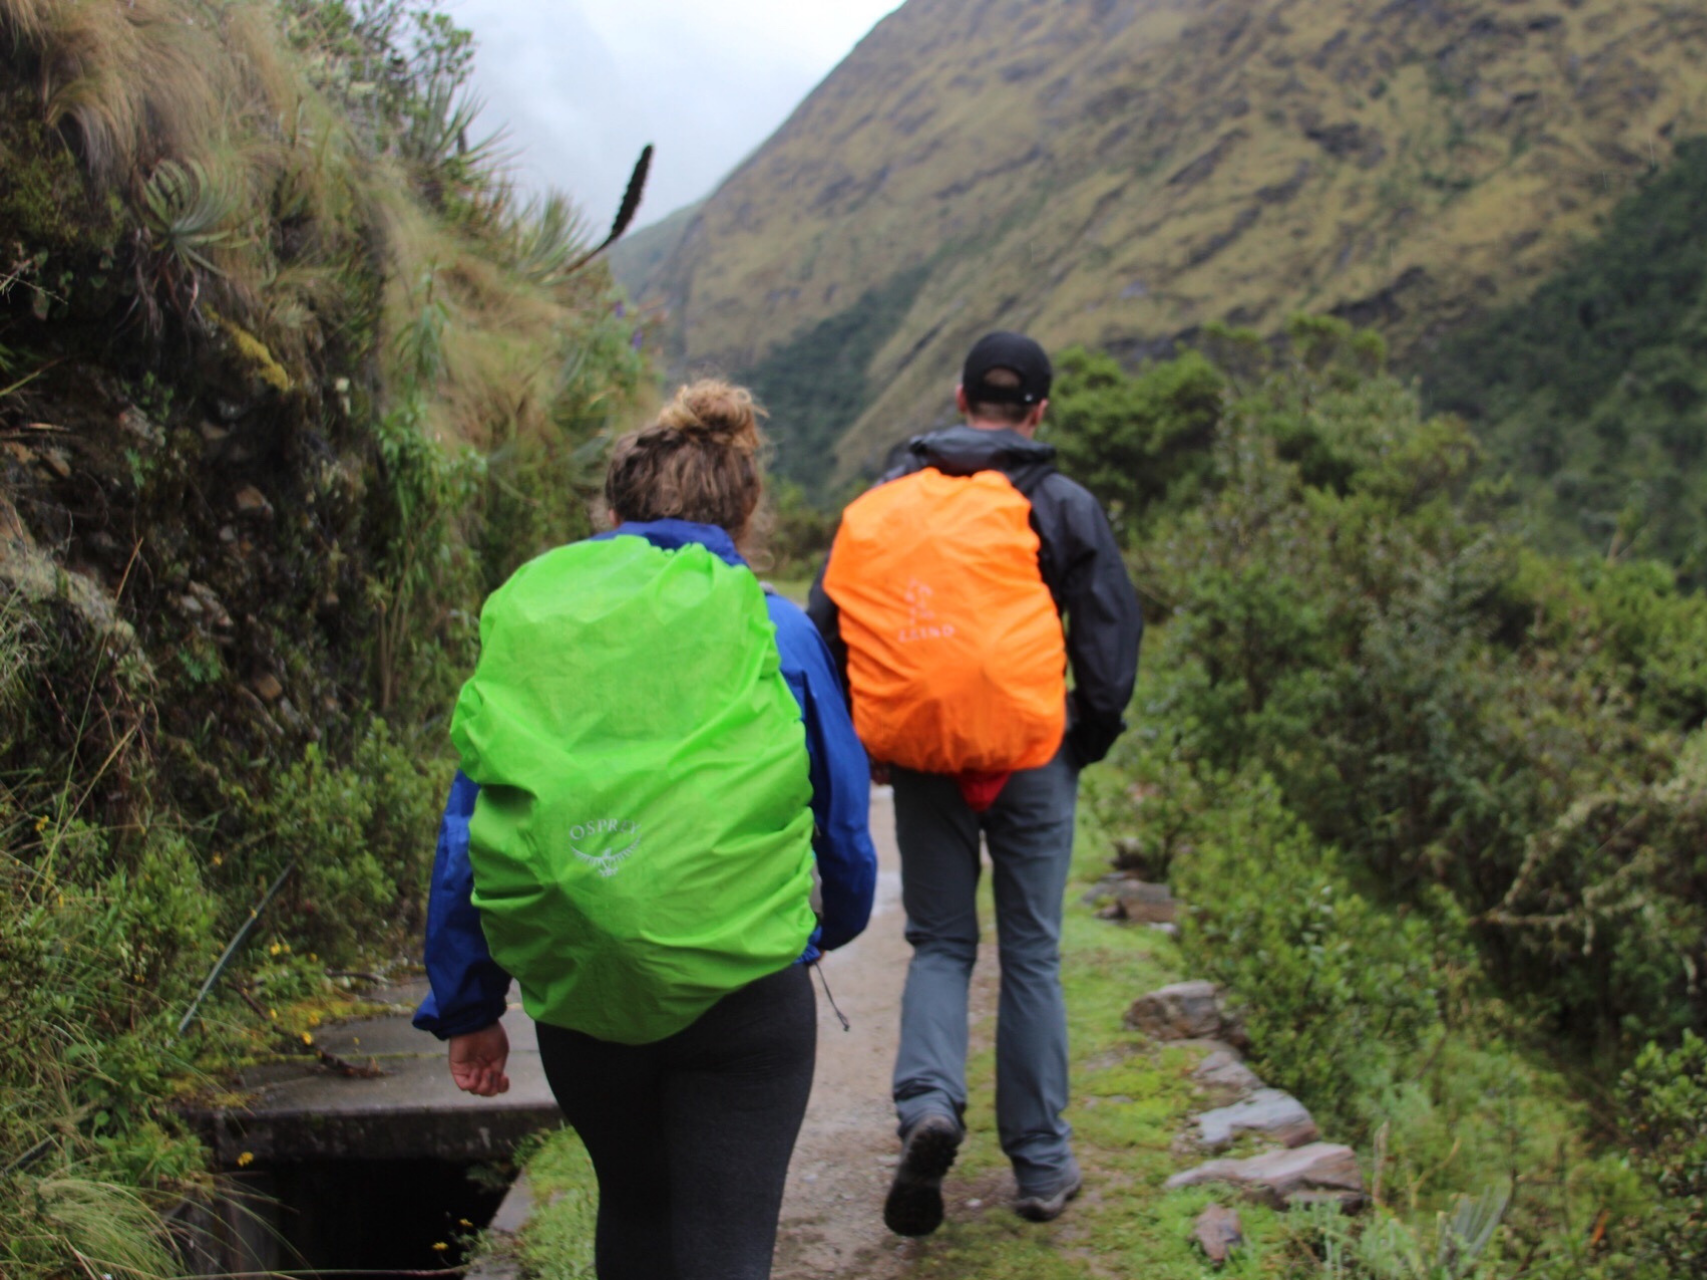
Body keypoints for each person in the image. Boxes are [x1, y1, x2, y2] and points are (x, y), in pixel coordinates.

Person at [415, 380, 879, 1280]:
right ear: (743, 513)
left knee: (632, 1208)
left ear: (612, 509)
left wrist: (468, 1004)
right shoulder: (773, 627)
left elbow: (473, 817)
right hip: (744, 990)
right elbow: (842, 814)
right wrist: (825, 925)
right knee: (725, 1242)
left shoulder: (541, 622)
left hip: (587, 997)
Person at [807, 332, 1141, 1235]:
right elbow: (1109, 640)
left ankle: (926, 1106)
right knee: (1030, 951)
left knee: (943, 944)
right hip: (1034, 753)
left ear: (960, 402)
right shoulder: (1060, 503)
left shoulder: (887, 500)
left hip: (924, 759)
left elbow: (828, 624)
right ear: (1037, 410)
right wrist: (1081, 736)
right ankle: (1041, 1166)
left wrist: (868, 736)